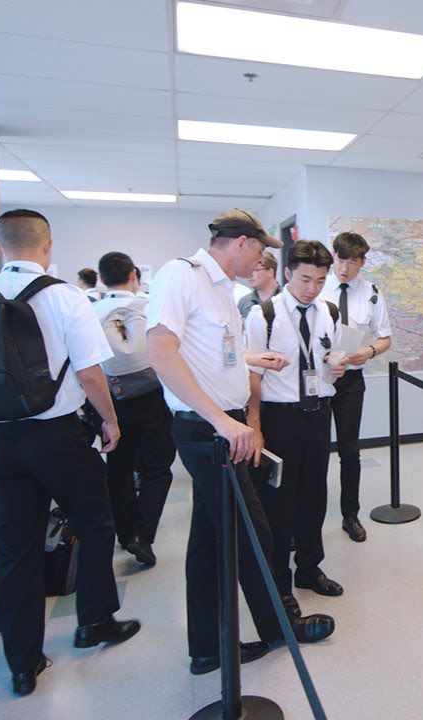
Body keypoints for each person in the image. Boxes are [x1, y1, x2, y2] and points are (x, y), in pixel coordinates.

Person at [147, 209, 334, 675]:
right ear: (239, 242)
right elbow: (160, 350)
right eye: (259, 250)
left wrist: (253, 360)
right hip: (209, 428)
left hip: (222, 422)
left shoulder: (220, 290)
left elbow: (211, 351)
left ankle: (207, 647)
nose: (260, 260)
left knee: (210, 541)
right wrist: (223, 422)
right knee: (255, 531)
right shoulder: (181, 276)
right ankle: (279, 629)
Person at [0, 209, 139, 696]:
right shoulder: (65, 297)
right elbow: (91, 373)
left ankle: (22, 663)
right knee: (94, 525)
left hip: (0, 441)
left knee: (13, 549)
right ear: (48, 246)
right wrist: (110, 421)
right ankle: (94, 622)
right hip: (58, 436)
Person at [247, 240, 346, 610]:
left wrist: (339, 366)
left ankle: (309, 567)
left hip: (318, 414)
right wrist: (255, 427)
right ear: (287, 273)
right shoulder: (264, 315)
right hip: (279, 417)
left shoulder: (330, 312)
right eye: (305, 279)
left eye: (320, 280)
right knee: (279, 501)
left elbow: (333, 359)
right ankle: (279, 582)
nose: (312, 288)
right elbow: (253, 377)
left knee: (314, 494)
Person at [92, 251, 177, 567]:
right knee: (157, 468)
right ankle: (144, 534)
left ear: (101, 279)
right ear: (134, 276)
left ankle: (126, 534)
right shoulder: (151, 306)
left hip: (109, 398)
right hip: (154, 396)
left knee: (118, 469)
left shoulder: (91, 311)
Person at [318, 232, 392, 543]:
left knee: (349, 451)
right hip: (319, 378)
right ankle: (308, 520)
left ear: (362, 262)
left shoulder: (372, 293)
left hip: (351, 380)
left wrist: (369, 352)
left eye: (352, 263)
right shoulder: (317, 288)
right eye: (340, 260)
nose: (345, 269)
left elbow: (385, 337)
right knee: (315, 453)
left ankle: (351, 515)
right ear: (332, 257)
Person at [237, 251, 281, 320]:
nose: (250, 275)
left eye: (255, 270)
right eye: (249, 270)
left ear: (270, 272)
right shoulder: (244, 303)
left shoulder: (286, 299)